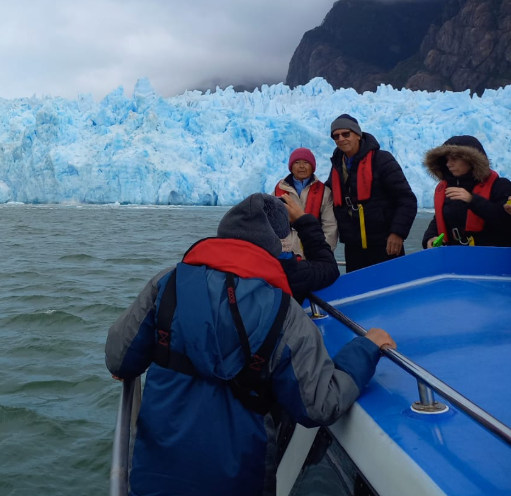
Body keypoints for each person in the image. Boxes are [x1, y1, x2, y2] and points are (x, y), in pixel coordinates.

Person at [105, 193, 394, 496]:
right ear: (278, 245)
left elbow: (118, 357)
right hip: (237, 482)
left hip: (154, 478)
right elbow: (317, 404)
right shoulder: (285, 313)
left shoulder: (168, 283)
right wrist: (364, 349)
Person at [325, 114, 418, 272]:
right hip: (354, 247)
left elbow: (406, 199)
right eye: (336, 136)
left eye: (346, 134)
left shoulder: (382, 160)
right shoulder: (337, 165)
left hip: (385, 244)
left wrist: (397, 233)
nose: (341, 139)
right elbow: (325, 197)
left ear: (358, 135)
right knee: (359, 293)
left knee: (391, 291)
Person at [421, 135, 511, 248]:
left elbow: (506, 222)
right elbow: (440, 218)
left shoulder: (500, 186)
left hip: (490, 256)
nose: (449, 164)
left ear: (471, 160)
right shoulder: (447, 187)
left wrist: (472, 200)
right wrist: (430, 236)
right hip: (455, 255)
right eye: (447, 160)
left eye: (454, 159)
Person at [275, 147, 338, 255]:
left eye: (306, 162)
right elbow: (272, 224)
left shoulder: (325, 192)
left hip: (313, 251)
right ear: (291, 167)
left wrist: (323, 253)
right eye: (297, 162)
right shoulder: (278, 190)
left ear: (312, 167)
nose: (301, 166)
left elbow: (330, 227)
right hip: (285, 254)